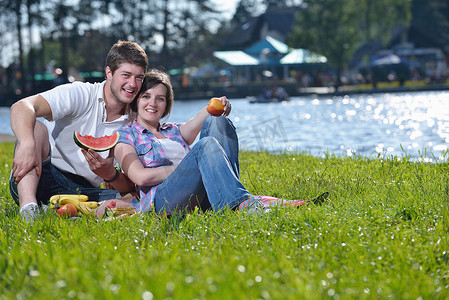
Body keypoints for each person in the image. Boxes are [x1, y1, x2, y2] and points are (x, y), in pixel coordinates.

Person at [112, 69, 327, 215]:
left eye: (160, 98)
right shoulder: (126, 135)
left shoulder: (174, 131)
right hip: (165, 201)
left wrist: (219, 106)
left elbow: (204, 115)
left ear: (167, 104)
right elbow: (140, 177)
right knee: (205, 146)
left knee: (218, 122)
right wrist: (184, 168)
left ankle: (234, 199)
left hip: (200, 194)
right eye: (146, 97)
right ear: (136, 101)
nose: (153, 103)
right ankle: (239, 204)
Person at [9, 40, 148, 222]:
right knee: (36, 128)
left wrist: (111, 175)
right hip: (43, 175)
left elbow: (130, 186)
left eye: (139, 77)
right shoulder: (81, 94)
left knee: (139, 199)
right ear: (109, 72)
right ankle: (29, 209)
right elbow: (22, 106)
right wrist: (27, 143)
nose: (132, 84)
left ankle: (68, 212)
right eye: (126, 75)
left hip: (89, 192)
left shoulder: (138, 120)